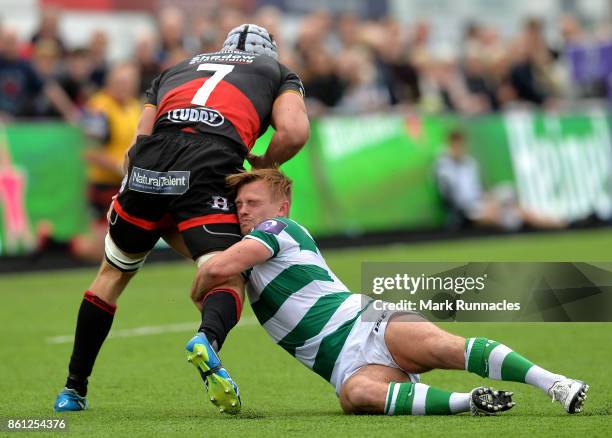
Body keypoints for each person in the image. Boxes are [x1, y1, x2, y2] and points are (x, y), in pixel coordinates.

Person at [53, 24, 309, 414]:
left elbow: (138, 142)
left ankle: (72, 390)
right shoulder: (276, 72)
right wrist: (262, 164)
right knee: (227, 275)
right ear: (270, 54)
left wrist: (129, 188)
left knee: (111, 275)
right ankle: (208, 337)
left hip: (148, 167)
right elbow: (293, 131)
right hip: (208, 163)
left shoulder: (176, 69)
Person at [191, 168, 589, 416]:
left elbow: (219, 269)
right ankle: (470, 402)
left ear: (282, 207)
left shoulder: (277, 230)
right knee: (355, 397)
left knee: (447, 348)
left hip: (366, 325)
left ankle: (553, 382)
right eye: (238, 204)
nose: (242, 210)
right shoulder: (249, 254)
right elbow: (223, 276)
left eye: (252, 202)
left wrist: (201, 280)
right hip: (344, 367)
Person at [70, 63, 141, 261]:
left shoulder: (136, 106)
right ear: (109, 82)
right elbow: (90, 151)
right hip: (105, 185)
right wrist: (121, 167)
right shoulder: (99, 107)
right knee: (97, 248)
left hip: (130, 185)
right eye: (119, 82)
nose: (123, 87)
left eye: (128, 82)